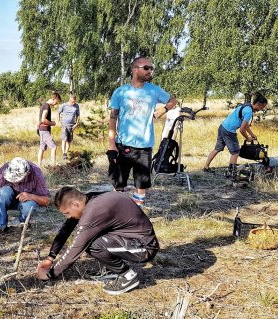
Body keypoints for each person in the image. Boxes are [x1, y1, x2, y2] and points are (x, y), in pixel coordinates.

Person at [36, 187, 160, 295]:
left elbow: (76, 247)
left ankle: (128, 276)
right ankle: (112, 268)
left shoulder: (94, 211)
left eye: (67, 213)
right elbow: (66, 228)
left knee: (91, 244)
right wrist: (50, 257)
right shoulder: (90, 199)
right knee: (91, 238)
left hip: (144, 247)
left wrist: (50, 274)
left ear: (74, 204)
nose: (68, 217)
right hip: (133, 239)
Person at [108, 57, 177, 207]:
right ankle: (117, 214)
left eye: (151, 68)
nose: (150, 71)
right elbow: (113, 118)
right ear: (135, 69)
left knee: (141, 185)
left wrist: (164, 109)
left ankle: (136, 213)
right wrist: (111, 144)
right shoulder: (120, 92)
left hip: (144, 146)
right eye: (146, 68)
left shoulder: (154, 90)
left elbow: (173, 100)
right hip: (123, 145)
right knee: (118, 184)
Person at [0, 157, 50, 240]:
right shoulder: (4, 170)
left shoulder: (36, 173)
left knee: (29, 206)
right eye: (12, 179)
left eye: (17, 179)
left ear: (27, 173)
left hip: (26, 202)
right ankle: (1, 226)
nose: (14, 182)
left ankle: (23, 224)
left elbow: (46, 201)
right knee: (4, 192)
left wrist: (31, 196)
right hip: (10, 199)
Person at [202, 93, 268, 177]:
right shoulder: (249, 112)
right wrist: (247, 138)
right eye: (262, 107)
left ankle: (206, 167)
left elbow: (244, 124)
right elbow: (242, 129)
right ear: (259, 104)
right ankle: (232, 172)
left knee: (217, 148)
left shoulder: (245, 106)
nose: (262, 109)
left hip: (222, 127)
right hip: (229, 131)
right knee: (235, 152)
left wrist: (252, 134)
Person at [37, 91, 61, 167]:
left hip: (42, 130)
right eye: (57, 102)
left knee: (42, 148)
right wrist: (52, 123)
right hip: (44, 130)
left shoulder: (44, 105)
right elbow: (43, 119)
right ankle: (54, 166)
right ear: (55, 99)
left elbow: (41, 120)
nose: (56, 104)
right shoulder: (46, 106)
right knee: (54, 147)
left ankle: (39, 166)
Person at [58, 95, 81, 160]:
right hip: (64, 125)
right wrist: (59, 122)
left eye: (74, 102)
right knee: (64, 139)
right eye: (72, 102)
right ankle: (64, 153)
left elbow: (78, 115)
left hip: (72, 126)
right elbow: (58, 112)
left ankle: (66, 152)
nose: (73, 103)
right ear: (69, 100)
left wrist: (76, 124)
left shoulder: (76, 106)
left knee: (69, 141)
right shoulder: (64, 105)